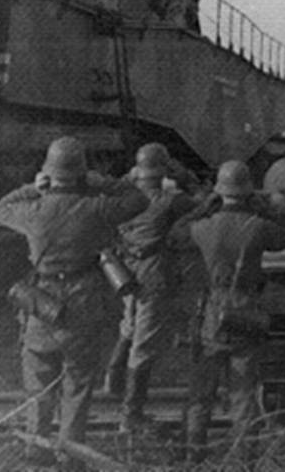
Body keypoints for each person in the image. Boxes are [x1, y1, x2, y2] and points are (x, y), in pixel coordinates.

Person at [0, 137, 148, 469]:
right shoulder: (97, 207)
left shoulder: (33, 209)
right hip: (84, 298)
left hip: (42, 302)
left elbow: (1, 207)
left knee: (38, 376)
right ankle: (71, 452)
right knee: (78, 380)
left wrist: (34, 187)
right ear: (81, 172)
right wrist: (99, 181)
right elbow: (138, 199)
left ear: (49, 172)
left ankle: (36, 447)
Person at [184, 159, 285, 463]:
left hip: (212, 313)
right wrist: (263, 208)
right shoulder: (258, 226)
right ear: (247, 191)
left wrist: (205, 206)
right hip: (247, 310)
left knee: (201, 390)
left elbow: (175, 233)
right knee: (244, 392)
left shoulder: (204, 227)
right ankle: (246, 459)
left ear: (220, 191)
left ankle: (194, 455)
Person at [104, 142, 201, 433]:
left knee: (129, 325)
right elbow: (206, 203)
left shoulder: (121, 197)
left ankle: (112, 381)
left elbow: (119, 185)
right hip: (152, 273)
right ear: (164, 169)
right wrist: (186, 177)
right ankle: (130, 415)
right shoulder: (170, 201)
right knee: (144, 342)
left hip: (123, 270)